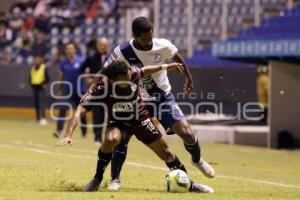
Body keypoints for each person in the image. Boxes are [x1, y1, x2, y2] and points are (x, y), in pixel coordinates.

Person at [56, 60, 214, 193]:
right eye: (126, 79)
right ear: (113, 80)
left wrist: (166, 67)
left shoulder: (132, 74)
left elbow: (145, 70)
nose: (130, 78)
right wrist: (68, 134)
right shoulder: (100, 89)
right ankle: (97, 179)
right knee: (112, 138)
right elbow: (78, 112)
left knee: (166, 153)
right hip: (118, 123)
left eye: (130, 76)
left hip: (140, 119)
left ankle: (188, 184)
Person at [104, 17, 215, 190]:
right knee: (122, 138)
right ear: (135, 36)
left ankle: (197, 160)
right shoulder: (122, 52)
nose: (149, 43)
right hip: (136, 102)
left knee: (186, 132)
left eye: (151, 37)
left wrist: (189, 78)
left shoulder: (162, 45)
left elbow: (177, 57)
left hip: (162, 98)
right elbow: (107, 72)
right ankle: (114, 180)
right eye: (144, 39)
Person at [53, 42, 87, 138]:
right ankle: (58, 130)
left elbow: (85, 75)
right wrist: (59, 89)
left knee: (81, 112)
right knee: (63, 109)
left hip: (80, 91)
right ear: (65, 50)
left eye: (71, 48)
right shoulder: (63, 62)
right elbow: (61, 76)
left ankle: (84, 132)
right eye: (67, 48)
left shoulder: (81, 61)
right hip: (67, 91)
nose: (69, 50)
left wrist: (88, 90)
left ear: (75, 50)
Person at [81, 37, 108, 144]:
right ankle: (97, 137)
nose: (102, 47)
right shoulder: (91, 58)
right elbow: (81, 68)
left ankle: (108, 137)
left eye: (104, 45)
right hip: (96, 90)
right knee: (97, 113)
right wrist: (87, 78)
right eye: (101, 45)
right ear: (97, 46)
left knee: (109, 114)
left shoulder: (111, 57)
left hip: (109, 89)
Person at [29, 54, 48, 125]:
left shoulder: (44, 67)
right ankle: (38, 119)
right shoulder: (33, 68)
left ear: (41, 60)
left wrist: (43, 83)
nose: (36, 60)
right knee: (36, 104)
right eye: (35, 59)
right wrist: (30, 83)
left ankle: (44, 119)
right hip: (34, 87)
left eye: (38, 59)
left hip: (41, 88)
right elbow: (30, 77)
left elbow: (47, 78)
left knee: (42, 103)